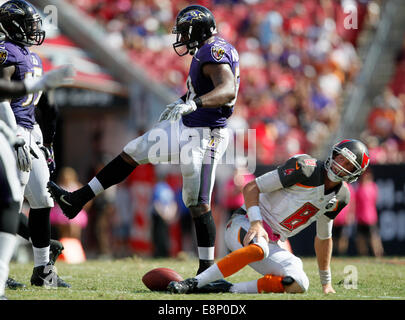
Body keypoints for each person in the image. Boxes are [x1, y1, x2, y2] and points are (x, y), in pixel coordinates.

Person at [48, 4, 240, 274]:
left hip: (207, 135)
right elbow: (205, 87)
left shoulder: (213, 51)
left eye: (185, 32)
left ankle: (208, 272)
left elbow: (228, 90)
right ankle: (77, 199)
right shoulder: (206, 51)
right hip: (186, 127)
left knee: (198, 202)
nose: (181, 39)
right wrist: (183, 101)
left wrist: (195, 103)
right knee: (133, 150)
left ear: (198, 30)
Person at [167, 139, 370, 294]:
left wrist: (326, 282)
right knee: (260, 247)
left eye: (348, 163)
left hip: (273, 242)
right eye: (339, 157)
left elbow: (324, 238)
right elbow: (251, 187)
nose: (339, 164)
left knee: (300, 283)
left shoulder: (341, 196)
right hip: (244, 222)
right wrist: (257, 222)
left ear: (355, 173)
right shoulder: (305, 168)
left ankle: (228, 288)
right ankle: (194, 283)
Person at [0, 0, 73, 288]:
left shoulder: (34, 57)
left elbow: (42, 105)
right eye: (29, 24)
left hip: (30, 132)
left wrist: (45, 139)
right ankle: (2, 273)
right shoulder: (5, 51)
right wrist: (14, 136)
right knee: (12, 203)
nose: (34, 30)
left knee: (43, 199)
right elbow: (3, 98)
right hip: (9, 130)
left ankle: (43, 270)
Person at [354, 168, 384, 257]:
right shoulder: (358, 187)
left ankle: (378, 255)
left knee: (374, 237)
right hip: (360, 218)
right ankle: (363, 255)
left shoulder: (372, 187)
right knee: (360, 238)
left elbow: (375, 200)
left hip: (370, 218)